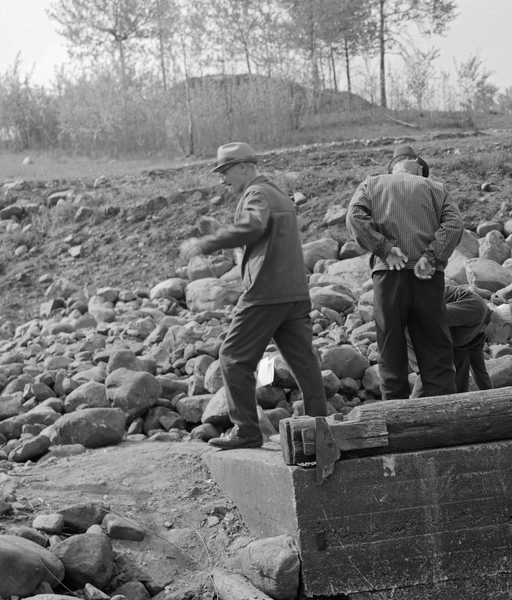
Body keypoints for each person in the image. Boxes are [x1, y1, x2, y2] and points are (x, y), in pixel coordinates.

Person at [179, 141, 328, 449]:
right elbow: (263, 236)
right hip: (295, 293)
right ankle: (319, 429)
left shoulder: (256, 194)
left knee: (232, 358)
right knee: (304, 363)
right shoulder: (277, 194)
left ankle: (246, 432)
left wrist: (205, 243)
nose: (222, 179)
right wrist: (225, 235)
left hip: (265, 293)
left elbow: (253, 226)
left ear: (246, 167)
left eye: (226, 171)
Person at [346, 144, 463, 401]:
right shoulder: (435, 188)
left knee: (390, 352)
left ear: (392, 167)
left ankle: (395, 422)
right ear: (419, 167)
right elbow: (454, 224)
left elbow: (354, 217)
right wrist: (431, 257)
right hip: (428, 278)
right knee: (436, 352)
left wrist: (384, 249)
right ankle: (445, 421)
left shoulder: (371, 184)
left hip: (388, 276)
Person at [406, 283, 493, 395]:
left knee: (461, 355)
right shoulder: (477, 311)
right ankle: (413, 410)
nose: (504, 342)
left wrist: (494, 399)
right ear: (505, 325)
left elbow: (479, 371)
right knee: (433, 371)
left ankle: (456, 402)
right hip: (415, 319)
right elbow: (434, 317)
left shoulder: (479, 334)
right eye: (510, 336)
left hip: (427, 325)